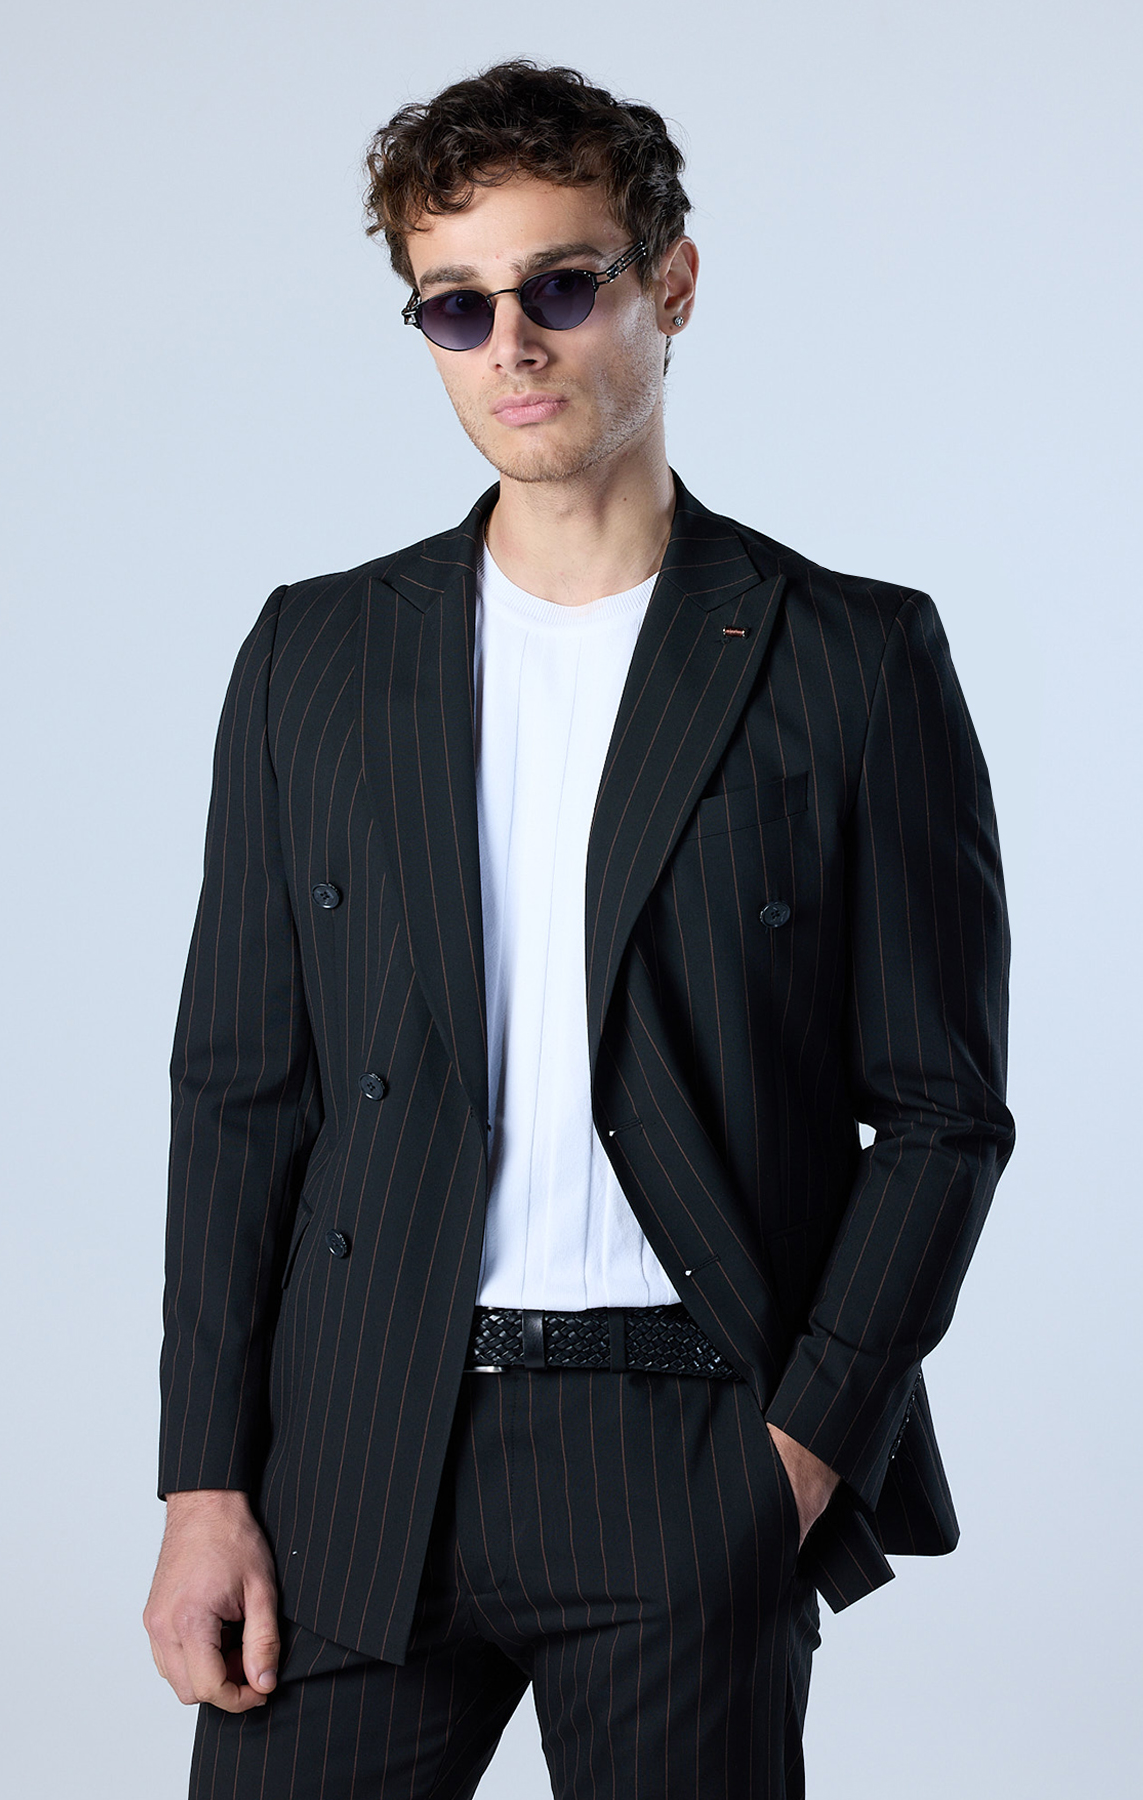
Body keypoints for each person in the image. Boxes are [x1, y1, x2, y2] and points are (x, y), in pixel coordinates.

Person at [144, 59, 1014, 1800]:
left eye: (558, 286)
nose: (511, 347)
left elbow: (940, 1112)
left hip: (689, 1442)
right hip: (356, 1446)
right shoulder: (316, 655)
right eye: (455, 306)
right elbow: (240, 1093)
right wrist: (201, 1481)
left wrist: (802, 1446)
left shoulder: (852, 657)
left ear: (668, 283)